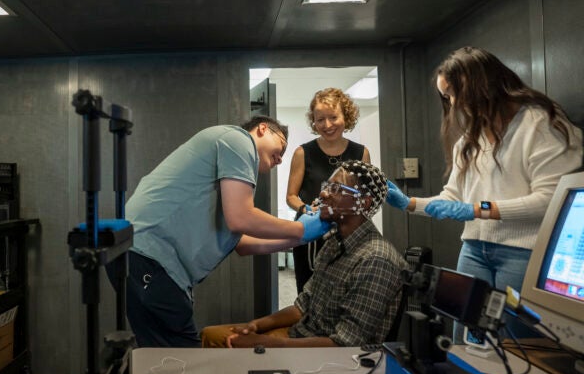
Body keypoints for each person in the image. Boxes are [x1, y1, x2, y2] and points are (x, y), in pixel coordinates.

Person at [385, 46, 583, 339]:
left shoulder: (540, 125)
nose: (452, 105)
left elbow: (553, 200)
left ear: (480, 84)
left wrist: (479, 210)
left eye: (452, 94)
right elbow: (453, 199)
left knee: (516, 344)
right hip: (474, 250)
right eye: (446, 98)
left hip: (524, 254)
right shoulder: (469, 141)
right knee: (466, 341)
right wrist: (409, 203)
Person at [108, 115, 333, 347]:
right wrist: (298, 228)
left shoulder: (226, 167)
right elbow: (241, 218)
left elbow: (243, 244)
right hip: (148, 257)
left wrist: (299, 238)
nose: (280, 159)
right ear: (263, 129)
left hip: (139, 257)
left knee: (161, 357)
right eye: (281, 147)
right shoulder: (238, 140)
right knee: (181, 360)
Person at [202, 160, 408, 348]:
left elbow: (345, 344)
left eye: (335, 189)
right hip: (300, 335)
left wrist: (265, 344)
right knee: (210, 334)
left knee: (223, 343)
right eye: (326, 187)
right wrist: (257, 325)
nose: (323, 195)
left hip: (330, 357)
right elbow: (303, 306)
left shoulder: (375, 260)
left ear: (364, 203)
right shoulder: (333, 242)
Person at [286, 88, 371, 294]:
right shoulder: (302, 152)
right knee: (307, 294)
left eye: (333, 117)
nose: (327, 125)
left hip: (346, 235)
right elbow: (291, 196)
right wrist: (307, 210)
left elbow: (365, 197)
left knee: (344, 292)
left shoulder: (361, 153)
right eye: (320, 119)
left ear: (346, 117)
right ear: (313, 122)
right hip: (310, 235)